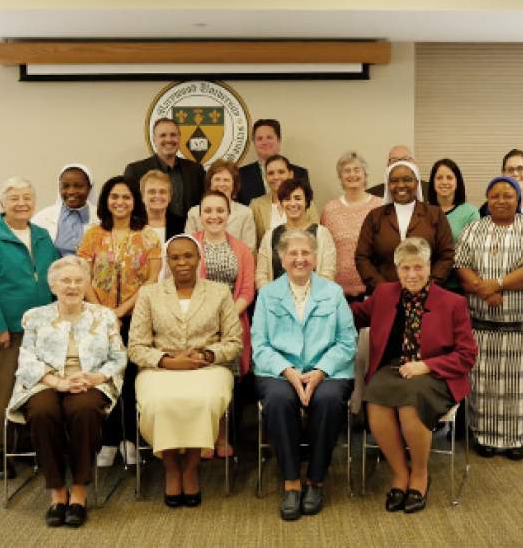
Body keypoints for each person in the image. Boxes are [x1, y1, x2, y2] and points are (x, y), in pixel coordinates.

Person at [351, 238, 477, 512]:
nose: (412, 274)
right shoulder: (384, 294)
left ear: (429, 267)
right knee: (375, 397)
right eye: (405, 268)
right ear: (397, 271)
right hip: (394, 368)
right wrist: (323, 298)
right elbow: (354, 315)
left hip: (436, 372)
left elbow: (467, 354)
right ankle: (400, 473)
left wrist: (427, 366)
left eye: (418, 267)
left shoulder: (452, 302)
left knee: (410, 400)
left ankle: (420, 474)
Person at [7, 255, 126, 528]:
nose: (72, 286)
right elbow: (26, 360)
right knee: (42, 411)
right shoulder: (35, 317)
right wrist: (57, 382)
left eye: (78, 280)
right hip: (45, 381)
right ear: (53, 286)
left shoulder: (104, 316)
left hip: (90, 381)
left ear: (87, 284)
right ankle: (57, 491)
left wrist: (96, 376)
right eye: (65, 281)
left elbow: (118, 357)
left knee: (83, 410)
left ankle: (80, 491)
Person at [129, 234, 243, 508]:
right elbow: (135, 346)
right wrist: (168, 361)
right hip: (160, 368)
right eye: (176, 257)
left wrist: (206, 355)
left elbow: (234, 342)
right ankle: (171, 468)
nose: (182, 262)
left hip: (208, 368)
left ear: (198, 259)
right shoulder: (149, 294)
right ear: (167, 262)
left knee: (203, 401)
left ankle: (191, 468)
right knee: (158, 403)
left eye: (188, 256)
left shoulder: (219, 292)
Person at [252, 229, 356, 521]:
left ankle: (316, 480)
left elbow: (347, 341)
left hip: (328, 369)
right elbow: (259, 345)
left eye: (306, 253)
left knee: (329, 400)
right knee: (277, 399)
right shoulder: (268, 294)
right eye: (293, 254)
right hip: (279, 370)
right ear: (281, 259)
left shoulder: (332, 292)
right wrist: (289, 372)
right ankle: (291, 482)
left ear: (315, 257)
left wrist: (321, 371)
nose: (300, 259)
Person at [455, 176, 523, 460]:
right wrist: (483, 289)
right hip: (481, 325)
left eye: (508, 195)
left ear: (517, 200)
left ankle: (516, 440)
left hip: (521, 326)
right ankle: (484, 436)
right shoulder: (473, 229)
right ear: (487, 199)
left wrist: (496, 284)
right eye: (495, 195)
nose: (501, 200)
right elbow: (462, 267)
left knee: (519, 385)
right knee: (483, 384)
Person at [0, 177, 60, 478]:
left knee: (33, 388)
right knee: (1, 390)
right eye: (13, 198)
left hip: (40, 330)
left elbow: (56, 276)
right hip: (2, 330)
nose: (21, 203)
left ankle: (23, 445)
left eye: (26, 197)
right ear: (2, 204)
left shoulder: (43, 236)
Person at [78, 175, 162, 466]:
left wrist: (121, 311)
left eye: (126, 197)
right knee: (104, 378)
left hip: (136, 318)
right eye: (114, 196)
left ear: (134, 201)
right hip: (96, 319)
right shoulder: (92, 235)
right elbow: (83, 276)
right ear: (105, 201)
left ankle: (130, 440)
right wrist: (104, 313)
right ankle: (108, 441)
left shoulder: (148, 235)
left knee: (130, 382)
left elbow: (152, 280)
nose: (120, 202)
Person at [191, 190, 256, 457]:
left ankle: (223, 434)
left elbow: (247, 291)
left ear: (229, 214)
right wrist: (205, 316)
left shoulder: (241, 249)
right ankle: (203, 434)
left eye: (220, 210)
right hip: (195, 322)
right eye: (208, 211)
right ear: (200, 215)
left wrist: (226, 316)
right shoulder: (189, 244)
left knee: (227, 380)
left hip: (232, 322)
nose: (214, 216)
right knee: (200, 380)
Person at [355, 161, 455, 294]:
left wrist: (427, 285)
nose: (401, 185)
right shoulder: (375, 216)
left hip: (427, 294)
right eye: (394, 181)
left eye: (407, 180)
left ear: (417, 183)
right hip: (384, 295)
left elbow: (447, 255)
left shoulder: (435, 215)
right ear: (388, 185)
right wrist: (383, 288)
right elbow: (362, 257)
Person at [321, 151, 381, 300]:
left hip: (373, 288)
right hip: (337, 291)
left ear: (365, 175)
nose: (352, 174)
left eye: (357, 169)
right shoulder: (329, 210)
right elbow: (324, 250)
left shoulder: (380, 206)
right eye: (346, 171)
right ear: (340, 177)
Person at [256, 178, 336, 289]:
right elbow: (261, 275)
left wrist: (308, 300)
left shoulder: (322, 234)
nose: (292, 203)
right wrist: (272, 298)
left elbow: (327, 273)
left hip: (315, 301)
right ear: (281, 203)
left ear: (307, 202)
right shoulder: (270, 236)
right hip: (276, 302)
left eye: (298, 198)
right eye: (287, 199)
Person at [123, 117, 205, 218]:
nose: (169, 139)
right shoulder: (135, 171)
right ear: (154, 139)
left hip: (189, 232)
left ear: (179, 138)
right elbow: (128, 207)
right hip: (150, 232)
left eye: (173, 135)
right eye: (163, 135)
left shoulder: (196, 170)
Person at [426, 158, 480, 292]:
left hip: (460, 285)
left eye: (449, 177)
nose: (444, 182)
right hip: (428, 283)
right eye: (439, 178)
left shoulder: (470, 212)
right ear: (432, 182)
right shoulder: (423, 211)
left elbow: (475, 252)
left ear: (457, 182)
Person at [249, 154, 319, 248]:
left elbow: (317, 237)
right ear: (266, 177)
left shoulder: (306, 202)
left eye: (281, 172)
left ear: (290, 174)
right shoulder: (256, 205)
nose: (276, 177)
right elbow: (254, 245)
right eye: (271, 173)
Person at [184, 159, 256, 249]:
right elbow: (188, 246)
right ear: (210, 183)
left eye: (226, 180)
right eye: (217, 179)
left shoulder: (245, 213)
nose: (221, 184)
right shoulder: (194, 213)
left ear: (234, 185)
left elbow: (249, 248)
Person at [237, 118, 309, 205]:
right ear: (254, 143)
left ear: (279, 140)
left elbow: (307, 208)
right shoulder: (240, 175)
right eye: (259, 138)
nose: (264, 142)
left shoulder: (300, 174)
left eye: (269, 137)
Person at [31, 163, 98, 256]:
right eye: (65, 186)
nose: (71, 191)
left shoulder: (101, 217)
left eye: (78, 186)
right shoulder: (43, 217)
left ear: (90, 188)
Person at [140, 169, 185, 244]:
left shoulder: (181, 225)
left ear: (170, 197)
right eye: (152, 192)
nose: (157, 196)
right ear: (143, 196)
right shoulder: (132, 224)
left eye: (162, 192)